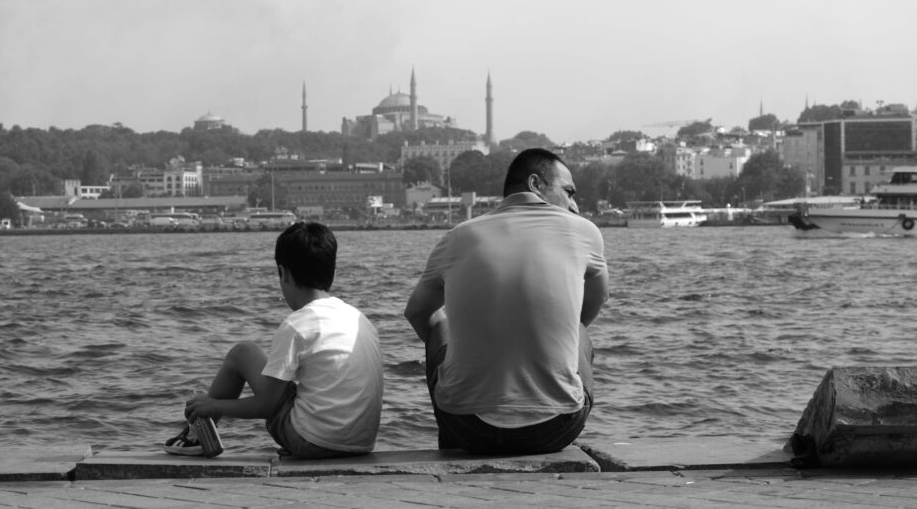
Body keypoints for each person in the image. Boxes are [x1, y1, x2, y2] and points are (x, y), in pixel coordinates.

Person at [404, 147, 609, 455]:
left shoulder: (457, 237)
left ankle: (449, 440)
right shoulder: (584, 233)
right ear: (536, 184)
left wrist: (459, 348)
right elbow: (595, 302)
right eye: (568, 192)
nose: (574, 205)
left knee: (440, 324)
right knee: (577, 330)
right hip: (554, 428)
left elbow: (417, 312)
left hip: (467, 427)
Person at [165, 222, 383, 458]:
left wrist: (214, 405)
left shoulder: (297, 324)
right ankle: (199, 434)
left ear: (284, 273)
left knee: (243, 353)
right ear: (332, 270)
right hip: (360, 445)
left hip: (312, 443)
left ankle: (196, 437)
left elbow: (267, 406)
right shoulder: (360, 319)